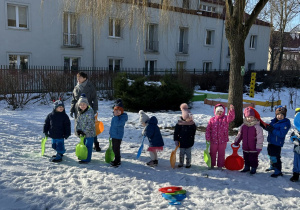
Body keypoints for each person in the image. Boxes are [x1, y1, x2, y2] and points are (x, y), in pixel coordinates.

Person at [70, 72, 100, 152]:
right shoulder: (76, 87)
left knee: (90, 127)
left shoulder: (90, 87)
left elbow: (95, 99)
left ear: (85, 78)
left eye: (79, 77)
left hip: (88, 110)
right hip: (78, 110)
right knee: (80, 127)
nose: (78, 79)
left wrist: (95, 109)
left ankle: (95, 143)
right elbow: (73, 100)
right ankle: (82, 143)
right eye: (77, 78)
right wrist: (72, 109)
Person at [262, 106, 291, 177]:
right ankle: (272, 165)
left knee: (275, 157)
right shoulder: (274, 121)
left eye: (281, 115)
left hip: (277, 143)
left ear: (284, 116)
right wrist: (265, 127)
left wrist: (272, 129)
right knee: (270, 155)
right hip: (271, 141)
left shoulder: (285, 124)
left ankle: (278, 170)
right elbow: (270, 128)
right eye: (278, 115)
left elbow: (281, 134)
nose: (280, 116)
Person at [233, 107, 264, 174]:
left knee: (253, 158)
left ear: (254, 117)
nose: (249, 119)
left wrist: (259, 147)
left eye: (251, 117)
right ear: (245, 117)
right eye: (248, 117)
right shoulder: (243, 126)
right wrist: (236, 141)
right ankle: (247, 167)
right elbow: (240, 134)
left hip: (253, 147)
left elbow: (260, 137)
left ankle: (253, 167)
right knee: (246, 157)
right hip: (245, 146)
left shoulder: (257, 127)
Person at [205, 104, 235, 169]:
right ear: (215, 112)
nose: (219, 112)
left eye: (221, 111)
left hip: (223, 140)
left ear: (223, 112)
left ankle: (220, 165)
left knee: (221, 153)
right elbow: (208, 129)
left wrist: (231, 110)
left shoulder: (225, 119)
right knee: (212, 152)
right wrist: (207, 137)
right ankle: (211, 164)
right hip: (213, 140)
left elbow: (231, 117)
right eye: (218, 111)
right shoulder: (212, 120)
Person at [173, 103, 196, 168]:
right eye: (188, 118)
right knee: (181, 153)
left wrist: (192, 138)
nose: (190, 119)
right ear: (184, 118)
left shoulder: (192, 124)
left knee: (188, 154)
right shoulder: (179, 124)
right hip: (181, 142)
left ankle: (188, 163)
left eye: (191, 118)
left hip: (189, 142)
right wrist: (176, 140)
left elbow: (194, 132)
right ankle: (181, 163)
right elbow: (176, 133)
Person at [75, 94, 96, 164]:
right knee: (83, 144)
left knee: (88, 146)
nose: (82, 106)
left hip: (90, 133)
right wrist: (78, 130)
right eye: (81, 104)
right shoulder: (79, 112)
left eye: (84, 104)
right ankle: (83, 155)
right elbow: (77, 122)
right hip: (82, 133)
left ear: (87, 104)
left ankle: (87, 159)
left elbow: (90, 124)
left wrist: (84, 131)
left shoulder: (90, 112)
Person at [109, 99, 128, 167]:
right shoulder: (116, 117)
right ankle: (116, 159)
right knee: (114, 148)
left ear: (122, 112)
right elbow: (113, 126)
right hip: (114, 135)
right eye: (115, 110)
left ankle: (117, 161)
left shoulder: (122, 118)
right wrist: (110, 132)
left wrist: (116, 117)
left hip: (118, 136)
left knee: (116, 148)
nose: (117, 112)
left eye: (119, 111)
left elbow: (117, 124)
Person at [288, 108, 300, 182]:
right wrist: (295, 140)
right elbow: (291, 138)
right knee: (296, 162)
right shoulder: (296, 130)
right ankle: (295, 174)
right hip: (297, 149)